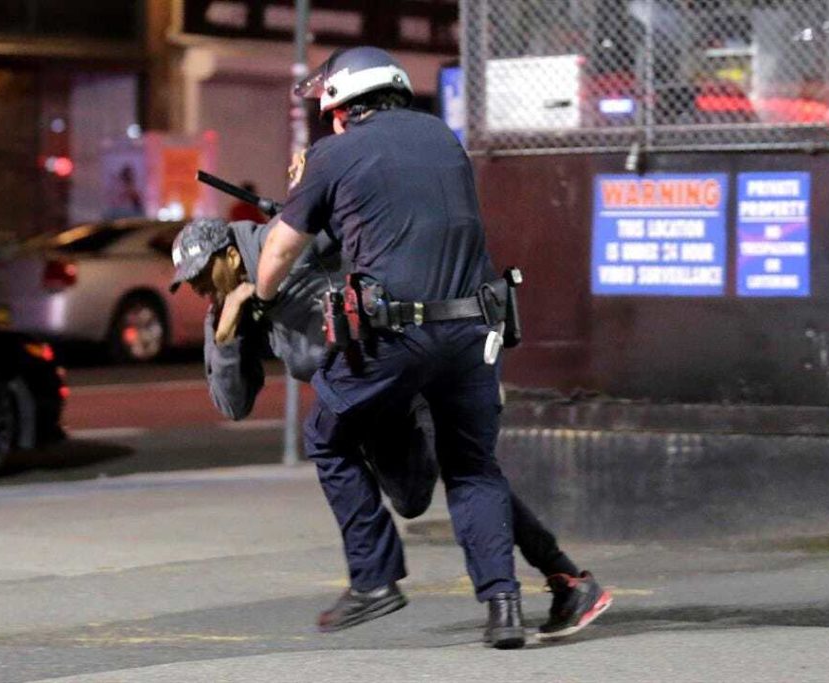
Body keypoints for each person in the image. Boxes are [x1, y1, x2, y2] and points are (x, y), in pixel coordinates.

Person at [255, 46, 608, 648]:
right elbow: (395, 222)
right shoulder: (444, 138)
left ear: (344, 102)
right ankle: (503, 608)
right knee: (472, 466)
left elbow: (281, 256)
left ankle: (374, 579)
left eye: (330, 109)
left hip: (394, 336)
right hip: (475, 331)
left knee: (326, 435)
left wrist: (263, 293)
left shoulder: (331, 153)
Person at [169, 215, 612, 644]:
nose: (198, 288)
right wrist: (226, 338)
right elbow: (233, 404)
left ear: (229, 255)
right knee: (419, 494)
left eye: (202, 275)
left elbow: (353, 223)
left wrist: (317, 183)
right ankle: (559, 583)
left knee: (464, 470)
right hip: (363, 403)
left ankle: (557, 579)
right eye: (189, 283)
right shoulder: (228, 309)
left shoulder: (288, 242)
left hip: (398, 368)